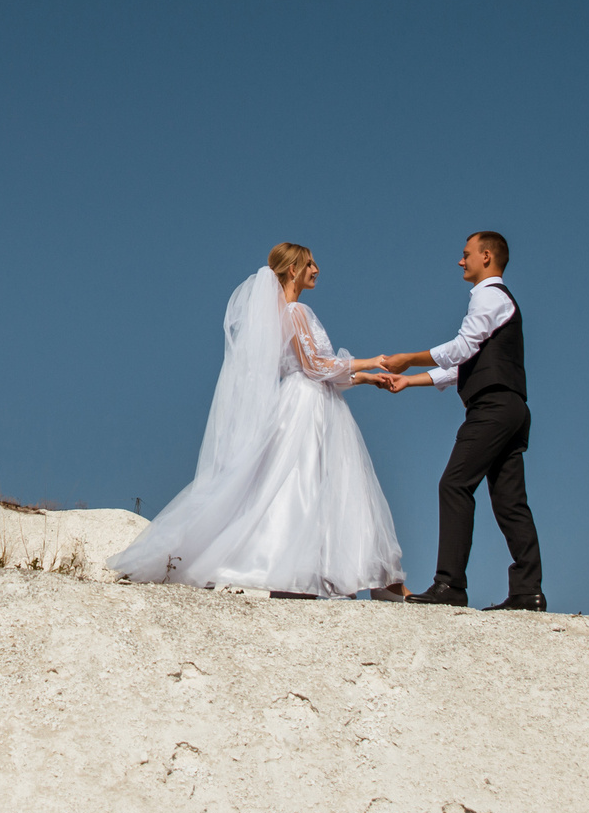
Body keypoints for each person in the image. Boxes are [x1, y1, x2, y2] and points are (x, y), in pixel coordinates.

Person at [109, 244, 408, 598]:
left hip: (319, 400)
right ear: (293, 270)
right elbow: (315, 366)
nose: (316, 269)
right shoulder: (295, 311)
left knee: (318, 485)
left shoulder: (286, 312)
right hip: (306, 405)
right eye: (310, 263)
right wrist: (370, 361)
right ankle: (304, 571)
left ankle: (344, 576)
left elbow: (320, 369)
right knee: (305, 484)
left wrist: (367, 378)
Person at [370, 232, 544, 612]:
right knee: (510, 502)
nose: (461, 261)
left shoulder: (488, 295)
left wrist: (408, 359)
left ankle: (450, 584)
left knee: (454, 484)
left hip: (492, 408)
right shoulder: (500, 300)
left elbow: (461, 348)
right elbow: (464, 366)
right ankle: (527, 592)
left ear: (486, 256)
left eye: (466, 255)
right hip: (513, 408)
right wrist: (409, 381)